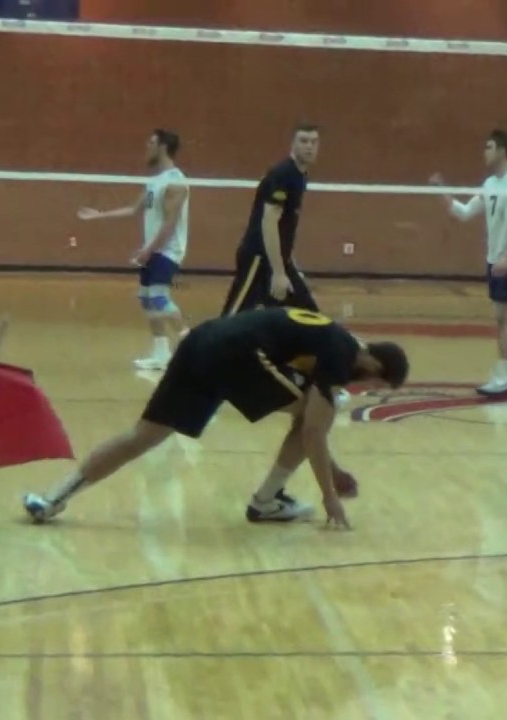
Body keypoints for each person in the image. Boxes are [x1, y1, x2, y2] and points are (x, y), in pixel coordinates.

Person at [21, 307, 409, 528]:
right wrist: (330, 498)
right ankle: (266, 500)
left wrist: (332, 470)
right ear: (375, 365)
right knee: (318, 413)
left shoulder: (334, 339)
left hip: (201, 342)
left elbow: (311, 430)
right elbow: (313, 433)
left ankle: (53, 498)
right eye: (373, 382)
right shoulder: (340, 357)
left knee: (142, 436)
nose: (364, 385)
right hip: (237, 354)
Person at [432, 129, 507, 397]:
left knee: (505, 319)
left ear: (502, 150)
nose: (484, 152)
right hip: (495, 260)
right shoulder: (489, 184)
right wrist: (441, 191)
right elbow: (465, 212)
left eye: (489, 147)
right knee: (506, 320)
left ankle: (502, 376)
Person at [77, 129, 190, 370]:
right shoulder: (154, 181)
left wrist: (149, 250)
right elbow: (133, 209)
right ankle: (161, 355)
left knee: (158, 297)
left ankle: (190, 344)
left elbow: (170, 223)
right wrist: (99, 215)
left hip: (167, 250)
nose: (146, 146)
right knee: (147, 299)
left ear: (163, 147)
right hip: (153, 250)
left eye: (151, 142)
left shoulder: (175, 182)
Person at [221, 123, 321, 317]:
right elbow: (269, 222)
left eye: (314, 142)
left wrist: (287, 263)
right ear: (293, 144)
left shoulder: (300, 175)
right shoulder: (283, 174)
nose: (309, 146)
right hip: (259, 258)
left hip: (279, 260)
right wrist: (279, 273)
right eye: (304, 141)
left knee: (309, 316)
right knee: (232, 318)